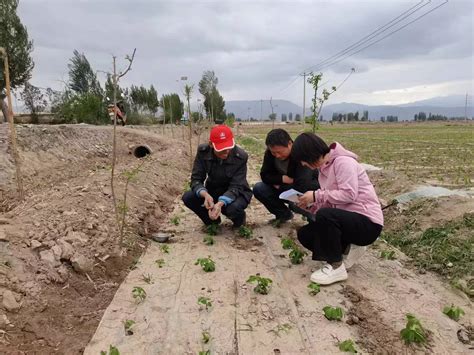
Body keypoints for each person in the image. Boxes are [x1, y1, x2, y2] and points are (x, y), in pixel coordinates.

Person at [290, 133, 383, 285]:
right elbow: (330, 202)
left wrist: (316, 195)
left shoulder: (343, 162)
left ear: (309, 154)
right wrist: (312, 205)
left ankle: (336, 267)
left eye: (303, 160)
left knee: (325, 215)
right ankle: (346, 250)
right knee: (305, 234)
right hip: (348, 220)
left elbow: (349, 194)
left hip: (367, 222)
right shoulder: (324, 170)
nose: (303, 165)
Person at [182, 124, 252, 228]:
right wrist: (205, 195)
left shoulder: (240, 156)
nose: (226, 152)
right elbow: (196, 179)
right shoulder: (203, 152)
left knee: (232, 208)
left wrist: (220, 203)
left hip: (236, 193)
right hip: (214, 190)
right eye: (222, 149)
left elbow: (237, 186)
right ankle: (212, 222)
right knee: (188, 197)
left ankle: (240, 220)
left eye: (228, 147)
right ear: (211, 144)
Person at [253, 128, 319, 224]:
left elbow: (302, 185)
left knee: (295, 204)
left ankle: (314, 217)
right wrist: (282, 179)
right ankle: (284, 215)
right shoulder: (270, 154)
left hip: (309, 192)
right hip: (288, 189)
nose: (277, 155)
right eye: (273, 152)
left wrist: (279, 185)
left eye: (279, 152)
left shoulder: (301, 153)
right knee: (259, 188)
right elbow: (264, 175)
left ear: (289, 144)